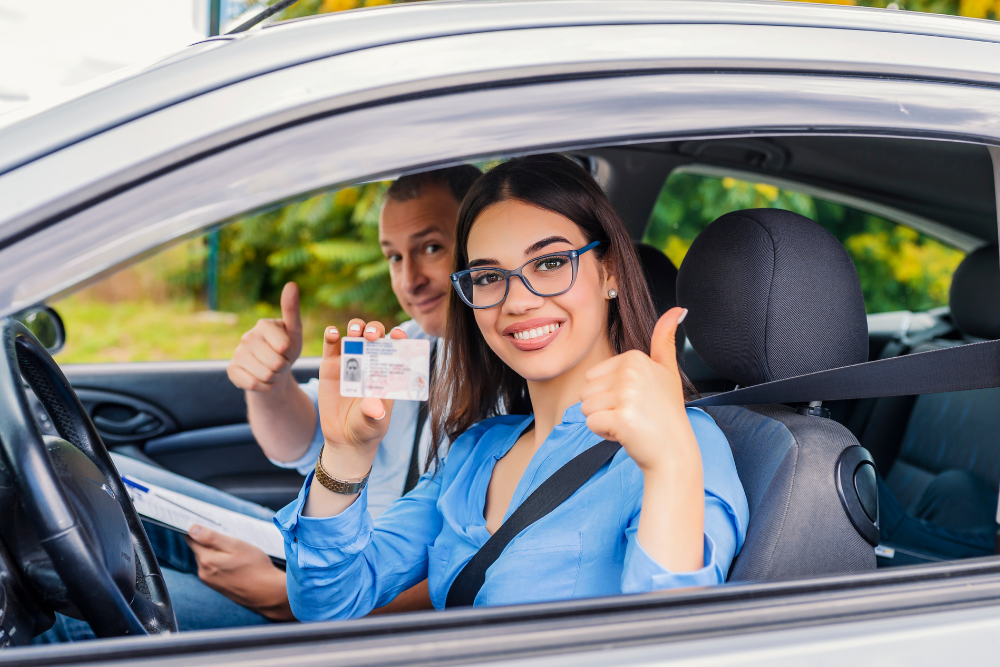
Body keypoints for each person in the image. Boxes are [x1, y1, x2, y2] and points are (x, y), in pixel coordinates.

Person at [276, 155, 749, 619]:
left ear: (609, 272)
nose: (518, 301)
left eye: (549, 263)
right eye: (487, 276)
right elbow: (328, 603)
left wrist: (670, 463)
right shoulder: (475, 451)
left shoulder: (683, 442)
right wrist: (344, 456)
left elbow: (672, 645)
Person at [34, 165, 480, 642]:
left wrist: (286, 599)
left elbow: (467, 574)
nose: (409, 279)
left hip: (360, 605)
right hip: (330, 553)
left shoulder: (516, 397)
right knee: (106, 475)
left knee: (64, 617)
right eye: (393, 257)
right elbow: (304, 440)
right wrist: (270, 382)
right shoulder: (408, 346)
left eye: (430, 248)